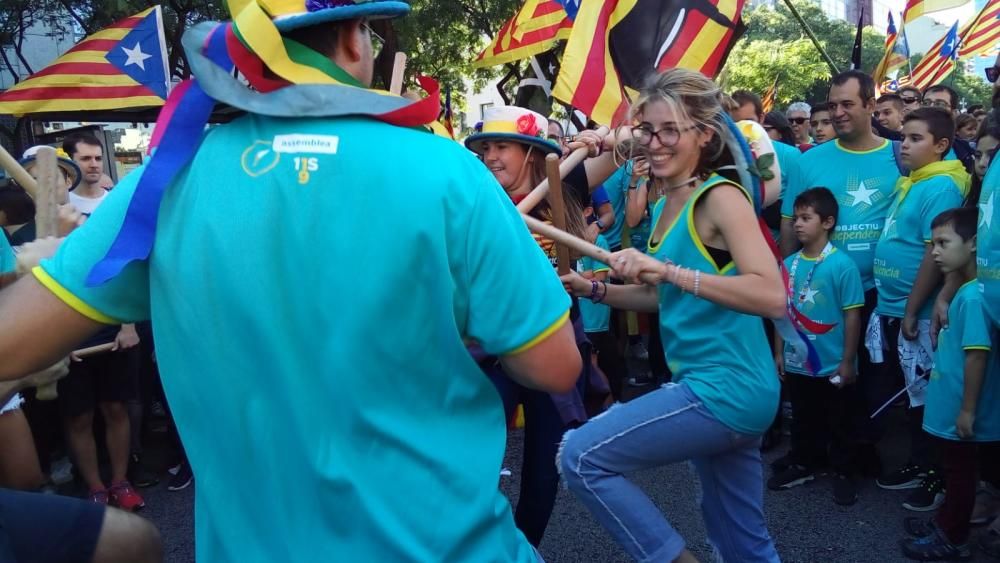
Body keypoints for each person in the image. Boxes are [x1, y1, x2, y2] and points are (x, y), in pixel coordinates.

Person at [0, 2, 585, 560]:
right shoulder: (449, 170)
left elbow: (10, 344)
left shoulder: (166, 184)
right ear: (356, 40)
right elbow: (554, 367)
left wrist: (47, 260)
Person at [559, 68, 784, 563]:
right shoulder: (668, 204)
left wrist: (667, 270)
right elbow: (664, 299)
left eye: (668, 131)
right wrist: (595, 289)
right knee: (740, 540)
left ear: (704, 135)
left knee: (580, 457)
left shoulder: (720, 196)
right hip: (727, 388)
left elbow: (771, 296)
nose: (654, 143)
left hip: (726, 387)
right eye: (647, 130)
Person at [464, 105, 598, 547]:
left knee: (545, 463)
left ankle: (524, 549)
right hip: (489, 351)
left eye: (502, 146)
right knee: (472, 456)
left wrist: (600, 142)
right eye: (486, 148)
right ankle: (472, 546)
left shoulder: (564, 188)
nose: (491, 157)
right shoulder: (474, 199)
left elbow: (621, 148)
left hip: (553, 344)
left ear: (531, 153)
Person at [780, 70, 903, 483]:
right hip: (814, 292)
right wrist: (786, 282)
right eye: (833, 104)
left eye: (848, 103)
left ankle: (853, 461)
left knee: (861, 381)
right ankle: (807, 456)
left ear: (872, 104)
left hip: (874, 293)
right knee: (807, 377)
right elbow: (787, 222)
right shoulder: (808, 160)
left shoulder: (900, 157)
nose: (838, 112)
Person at [872, 107, 969, 512]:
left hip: (919, 311)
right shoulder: (913, 181)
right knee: (910, 394)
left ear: (942, 146)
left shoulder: (941, 186)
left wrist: (912, 309)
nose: (904, 145)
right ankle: (919, 463)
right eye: (904, 138)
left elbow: (935, 253)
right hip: (891, 305)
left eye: (915, 139)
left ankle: (934, 474)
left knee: (924, 397)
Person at [900, 207, 1000, 561]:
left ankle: (953, 537)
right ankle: (945, 523)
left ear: (973, 244)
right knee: (953, 471)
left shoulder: (973, 297)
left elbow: (977, 355)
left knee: (960, 477)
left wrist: (968, 411)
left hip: (961, 414)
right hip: (950, 408)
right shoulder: (965, 291)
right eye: (932, 244)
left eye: (943, 243)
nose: (934, 252)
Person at [770, 187, 865, 505]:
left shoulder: (842, 265)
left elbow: (852, 316)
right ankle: (804, 462)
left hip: (832, 361)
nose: (797, 224)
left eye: (806, 218)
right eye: (796, 217)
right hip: (799, 361)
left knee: (840, 420)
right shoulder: (789, 264)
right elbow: (780, 312)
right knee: (803, 415)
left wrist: (848, 360)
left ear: (827, 222)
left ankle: (844, 470)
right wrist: (779, 351)